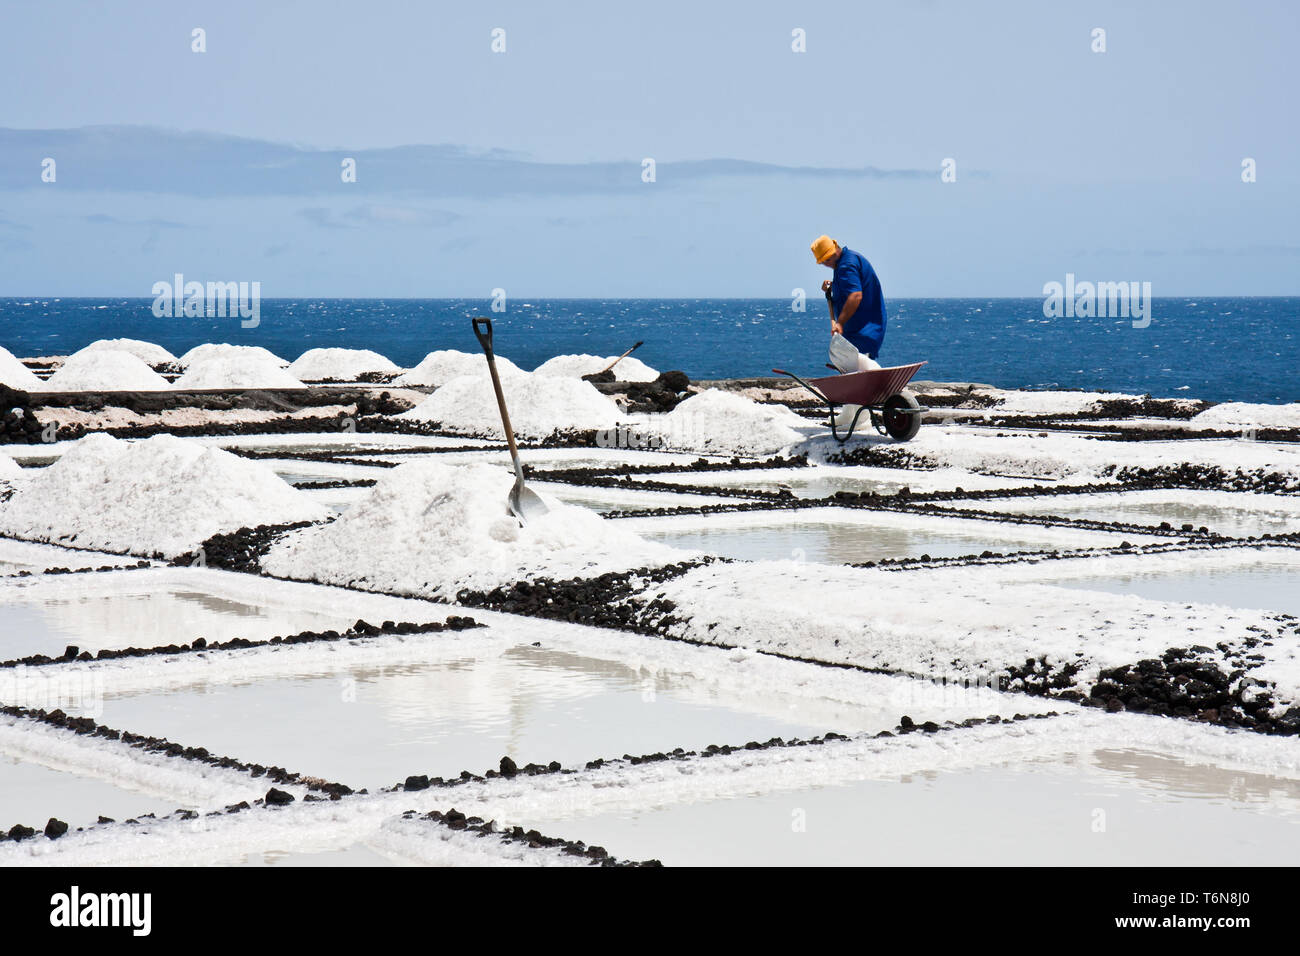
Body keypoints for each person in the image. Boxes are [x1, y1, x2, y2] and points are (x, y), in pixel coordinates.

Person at [810, 235, 887, 373]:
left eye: (824, 262)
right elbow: (850, 288)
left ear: (831, 255)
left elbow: (855, 295)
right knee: (856, 370)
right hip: (859, 329)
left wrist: (839, 323)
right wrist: (833, 287)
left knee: (861, 368)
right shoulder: (846, 261)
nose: (824, 265)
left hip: (863, 330)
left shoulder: (846, 266)